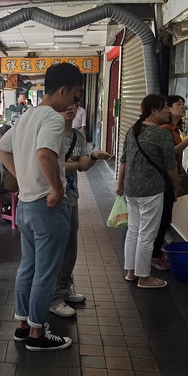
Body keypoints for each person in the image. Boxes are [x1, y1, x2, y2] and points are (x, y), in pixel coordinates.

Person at [0, 62, 82, 351]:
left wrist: (22, 177)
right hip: (47, 207)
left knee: (28, 268)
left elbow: (2, 148)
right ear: (62, 90)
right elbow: (45, 154)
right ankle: (38, 332)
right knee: (45, 272)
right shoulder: (53, 119)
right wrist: (57, 188)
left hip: (25, 206)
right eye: (74, 94)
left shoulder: (26, 116)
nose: (74, 100)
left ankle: (23, 325)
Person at [51, 102, 110, 317]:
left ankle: (65, 288)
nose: (70, 108)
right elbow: (54, 167)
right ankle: (53, 297)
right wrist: (76, 165)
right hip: (54, 199)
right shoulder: (51, 134)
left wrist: (93, 157)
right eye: (65, 103)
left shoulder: (78, 136)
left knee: (70, 248)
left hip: (72, 198)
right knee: (56, 250)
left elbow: (83, 165)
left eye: (74, 105)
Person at [117, 95, 178, 289]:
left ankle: (131, 272)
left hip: (132, 189)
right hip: (151, 190)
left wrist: (120, 184)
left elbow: (123, 160)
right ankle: (144, 277)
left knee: (134, 230)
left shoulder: (132, 130)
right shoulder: (161, 134)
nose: (168, 111)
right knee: (147, 234)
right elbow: (170, 166)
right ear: (153, 111)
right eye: (165, 108)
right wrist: (176, 186)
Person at [151, 95, 188, 269]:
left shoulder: (174, 128)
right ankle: (155, 255)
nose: (183, 107)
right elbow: (169, 154)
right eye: (177, 104)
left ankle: (155, 253)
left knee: (165, 218)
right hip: (164, 178)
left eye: (183, 104)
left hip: (168, 177)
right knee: (162, 219)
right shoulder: (165, 129)